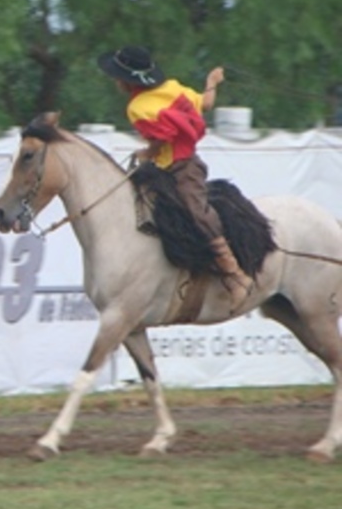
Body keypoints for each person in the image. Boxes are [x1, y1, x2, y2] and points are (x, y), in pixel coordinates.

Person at [97, 45, 253, 311]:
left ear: (127, 79)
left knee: (196, 210)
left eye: (117, 76)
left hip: (182, 168)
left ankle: (235, 274)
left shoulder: (138, 107)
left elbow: (161, 140)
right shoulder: (172, 88)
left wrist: (146, 153)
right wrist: (212, 82)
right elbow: (206, 103)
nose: (115, 81)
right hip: (164, 170)